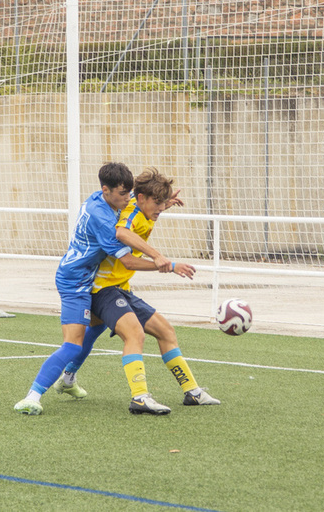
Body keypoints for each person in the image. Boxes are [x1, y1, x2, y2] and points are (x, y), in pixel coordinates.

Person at [14, 162, 180, 417]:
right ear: (106, 190)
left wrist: (161, 205)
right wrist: (164, 263)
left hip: (89, 279)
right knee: (72, 345)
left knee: (97, 326)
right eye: (124, 194)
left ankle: (68, 379)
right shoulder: (102, 219)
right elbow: (127, 260)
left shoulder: (101, 200)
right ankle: (32, 396)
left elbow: (133, 215)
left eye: (130, 193)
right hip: (75, 281)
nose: (129, 199)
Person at [55, 168, 217, 412]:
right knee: (134, 334)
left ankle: (192, 392)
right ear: (141, 198)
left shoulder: (141, 208)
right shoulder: (130, 211)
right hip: (102, 290)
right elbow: (123, 233)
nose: (161, 208)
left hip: (121, 289)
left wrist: (164, 203)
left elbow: (142, 211)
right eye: (157, 202)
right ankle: (140, 397)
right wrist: (165, 262)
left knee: (165, 331)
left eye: (164, 202)